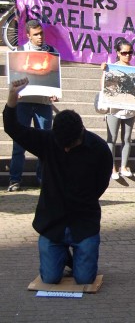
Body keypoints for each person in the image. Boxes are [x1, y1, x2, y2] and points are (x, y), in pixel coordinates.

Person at [4, 79, 112, 284]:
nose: (66, 149)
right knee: (51, 278)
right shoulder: (48, 141)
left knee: (84, 279)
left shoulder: (99, 149)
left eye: (70, 145)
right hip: (52, 221)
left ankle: (78, 257)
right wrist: (12, 98)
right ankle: (60, 255)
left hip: (84, 221)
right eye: (62, 145)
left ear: (82, 132)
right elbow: (13, 128)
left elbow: (102, 183)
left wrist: (84, 198)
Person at [8, 20, 58, 192]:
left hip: (43, 104)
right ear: (28, 35)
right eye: (36, 34)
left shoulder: (51, 52)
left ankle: (42, 178)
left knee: (45, 143)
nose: (39, 37)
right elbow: (13, 78)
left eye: (41, 33)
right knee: (19, 144)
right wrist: (14, 92)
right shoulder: (19, 52)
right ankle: (15, 179)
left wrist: (55, 92)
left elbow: (54, 76)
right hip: (23, 104)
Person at [100, 40, 135, 180]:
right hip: (114, 109)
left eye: (130, 53)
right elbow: (104, 86)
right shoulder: (112, 68)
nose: (127, 55)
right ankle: (111, 167)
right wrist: (105, 71)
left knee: (127, 138)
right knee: (112, 138)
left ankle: (124, 166)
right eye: (124, 53)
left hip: (129, 109)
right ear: (118, 53)